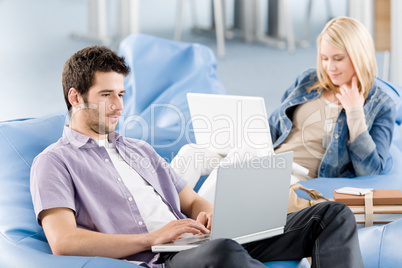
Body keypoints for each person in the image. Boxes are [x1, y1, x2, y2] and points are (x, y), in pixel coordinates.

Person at [30, 46, 363, 268]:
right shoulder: (55, 162)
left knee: (331, 215)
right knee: (224, 253)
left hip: (201, 241)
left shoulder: (138, 150)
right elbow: (63, 240)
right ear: (75, 97)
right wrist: (153, 238)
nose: (118, 106)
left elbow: (191, 201)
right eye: (106, 95)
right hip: (162, 257)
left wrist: (211, 217)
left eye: (121, 94)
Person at [270, 16, 396, 181]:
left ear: (359, 57)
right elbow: (272, 126)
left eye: (338, 59)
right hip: (269, 166)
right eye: (324, 58)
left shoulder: (381, 105)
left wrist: (354, 113)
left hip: (297, 183)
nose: (330, 67)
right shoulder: (308, 79)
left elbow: (370, 171)